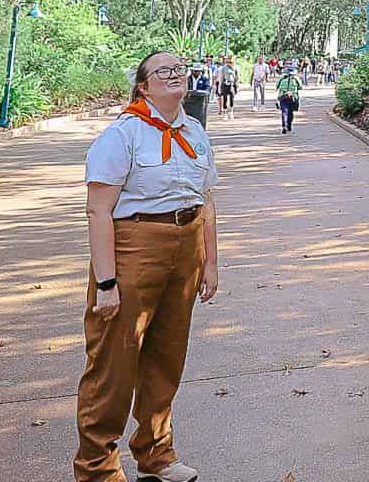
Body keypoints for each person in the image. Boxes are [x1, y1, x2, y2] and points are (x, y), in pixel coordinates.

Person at [76, 51, 219, 482]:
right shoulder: (122, 135)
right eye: (163, 71)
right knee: (115, 362)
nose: (175, 75)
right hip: (135, 246)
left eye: (180, 69)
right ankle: (97, 468)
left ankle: (156, 456)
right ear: (143, 86)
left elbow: (206, 201)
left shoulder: (194, 131)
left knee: (166, 356)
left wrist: (210, 263)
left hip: (186, 246)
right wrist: (106, 283)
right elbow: (98, 211)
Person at [276, 64, 302, 134]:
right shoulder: (296, 78)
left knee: (284, 112)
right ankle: (289, 125)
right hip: (292, 97)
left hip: (282, 96)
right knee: (290, 112)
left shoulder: (281, 78)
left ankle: (284, 126)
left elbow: (276, 86)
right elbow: (300, 87)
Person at [217, 55, 238, 122]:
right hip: (225, 84)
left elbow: (237, 77)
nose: (230, 63)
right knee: (225, 98)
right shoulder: (223, 68)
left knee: (232, 98)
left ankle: (231, 111)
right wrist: (219, 86)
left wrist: (237, 85)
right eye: (229, 61)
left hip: (232, 84)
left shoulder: (235, 68)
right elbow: (221, 77)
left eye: (231, 62)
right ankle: (225, 113)